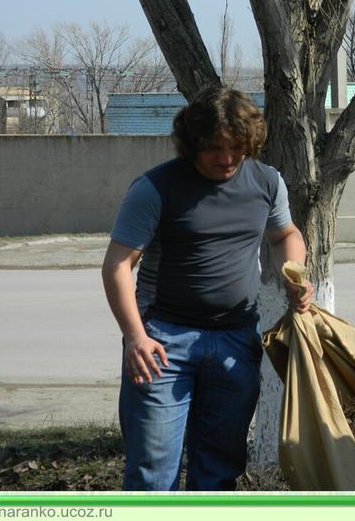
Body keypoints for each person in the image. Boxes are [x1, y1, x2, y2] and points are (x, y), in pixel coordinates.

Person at [101, 85, 313, 491]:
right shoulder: (155, 188)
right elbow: (117, 265)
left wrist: (295, 276)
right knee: (152, 474)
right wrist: (135, 337)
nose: (227, 158)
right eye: (215, 147)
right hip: (162, 343)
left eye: (237, 146)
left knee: (218, 473)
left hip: (236, 339)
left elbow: (286, 234)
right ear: (192, 143)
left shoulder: (267, 182)